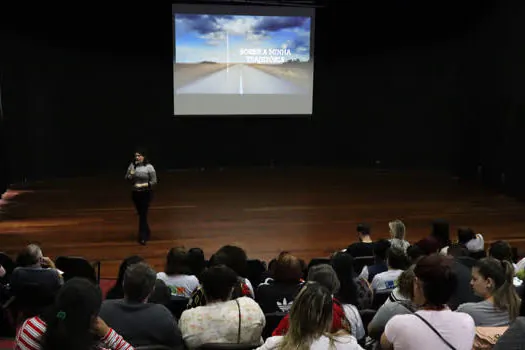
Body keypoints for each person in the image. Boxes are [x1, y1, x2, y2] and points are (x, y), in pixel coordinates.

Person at [125, 149, 157, 245]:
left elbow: (154, 181)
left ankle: (142, 237)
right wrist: (131, 171)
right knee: (141, 214)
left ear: (144, 156)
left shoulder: (149, 167)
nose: (137, 158)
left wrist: (143, 185)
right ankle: (147, 230)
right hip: (135, 194)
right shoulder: (132, 166)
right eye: (136, 156)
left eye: (139, 156)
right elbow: (127, 178)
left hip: (146, 193)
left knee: (143, 215)